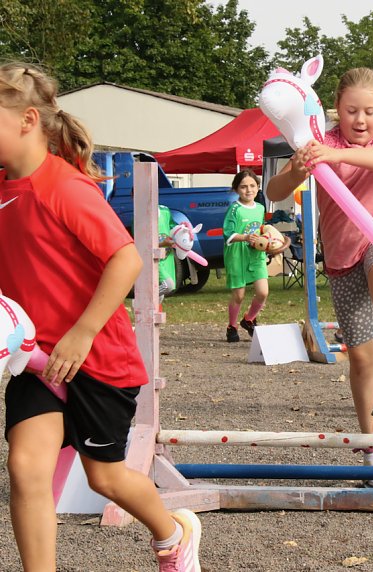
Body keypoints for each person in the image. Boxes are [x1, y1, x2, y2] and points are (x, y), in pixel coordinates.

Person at [0, 62, 202, 571]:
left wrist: (82, 334)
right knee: (25, 470)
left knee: (104, 478)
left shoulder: (64, 188)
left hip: (96, 360)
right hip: (37, 362)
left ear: (27, 120)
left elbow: (127, 259)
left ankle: (173, 531)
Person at [265, 67, 373, 487]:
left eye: (369, 111)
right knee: (362, 358)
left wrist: (338, 156)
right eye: (351, 111)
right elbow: (275, 192)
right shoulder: (319, 140)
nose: (360, 120)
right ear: (336, 110)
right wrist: (298, 168)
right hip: (341, 257)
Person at [223, 169, 275, 342]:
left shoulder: (260, 208)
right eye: (243, 187)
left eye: (252, 186)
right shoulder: (234, 209)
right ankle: (232, 326)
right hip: (237, 254)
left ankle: (249, 319)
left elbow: (260, 229)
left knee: (263, 292)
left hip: (255, 254)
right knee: (239, 295)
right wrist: (245, 237)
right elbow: (227, 233)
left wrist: (265, 239)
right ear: (236, 189)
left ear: (258, 187)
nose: (248, 190)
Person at [158, 205, 177, 303]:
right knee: (167, 285)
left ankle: (150, 316)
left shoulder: (164, 210)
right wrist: (162, 244)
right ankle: (141, 300)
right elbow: (141, 243)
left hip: (166, 258)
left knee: (161, 296)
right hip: (154, 259)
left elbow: (173, 227)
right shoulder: (139, 217)